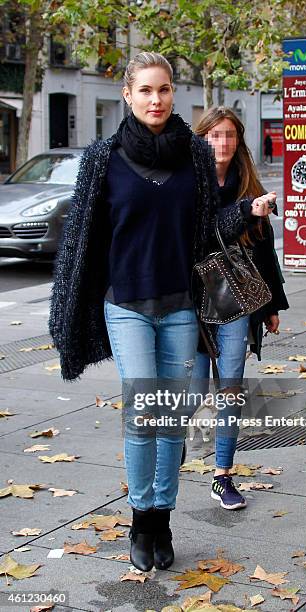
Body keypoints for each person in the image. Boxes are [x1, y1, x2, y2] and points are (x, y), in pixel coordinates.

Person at [49, 52, 276, 573]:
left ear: (175, 94)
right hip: (126, 305)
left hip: (180, 306)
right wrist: (71, 311)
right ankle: (139, 517)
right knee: (143, 413)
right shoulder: (103, 158)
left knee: (171, 418)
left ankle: (161, 520)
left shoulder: (195, 156)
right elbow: (84, 241)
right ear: (128, 95)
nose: (157, 99)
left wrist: (244, 210)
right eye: (146, 90)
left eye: (165, 90)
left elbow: (206, 228)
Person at [192, 106, 289, 510]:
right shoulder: (189, 183)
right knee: (194, 390)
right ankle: (172, 448)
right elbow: (198, 232)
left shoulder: (250, 184)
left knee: (230, 388)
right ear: (202, 139)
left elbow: (264, 253)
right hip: (192, 300)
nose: (223, 143)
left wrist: (271, 307)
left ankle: (223, 475)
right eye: (215, 135)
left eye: (229, 134)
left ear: (239, 139)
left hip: (237, 304)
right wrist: (244, 211)